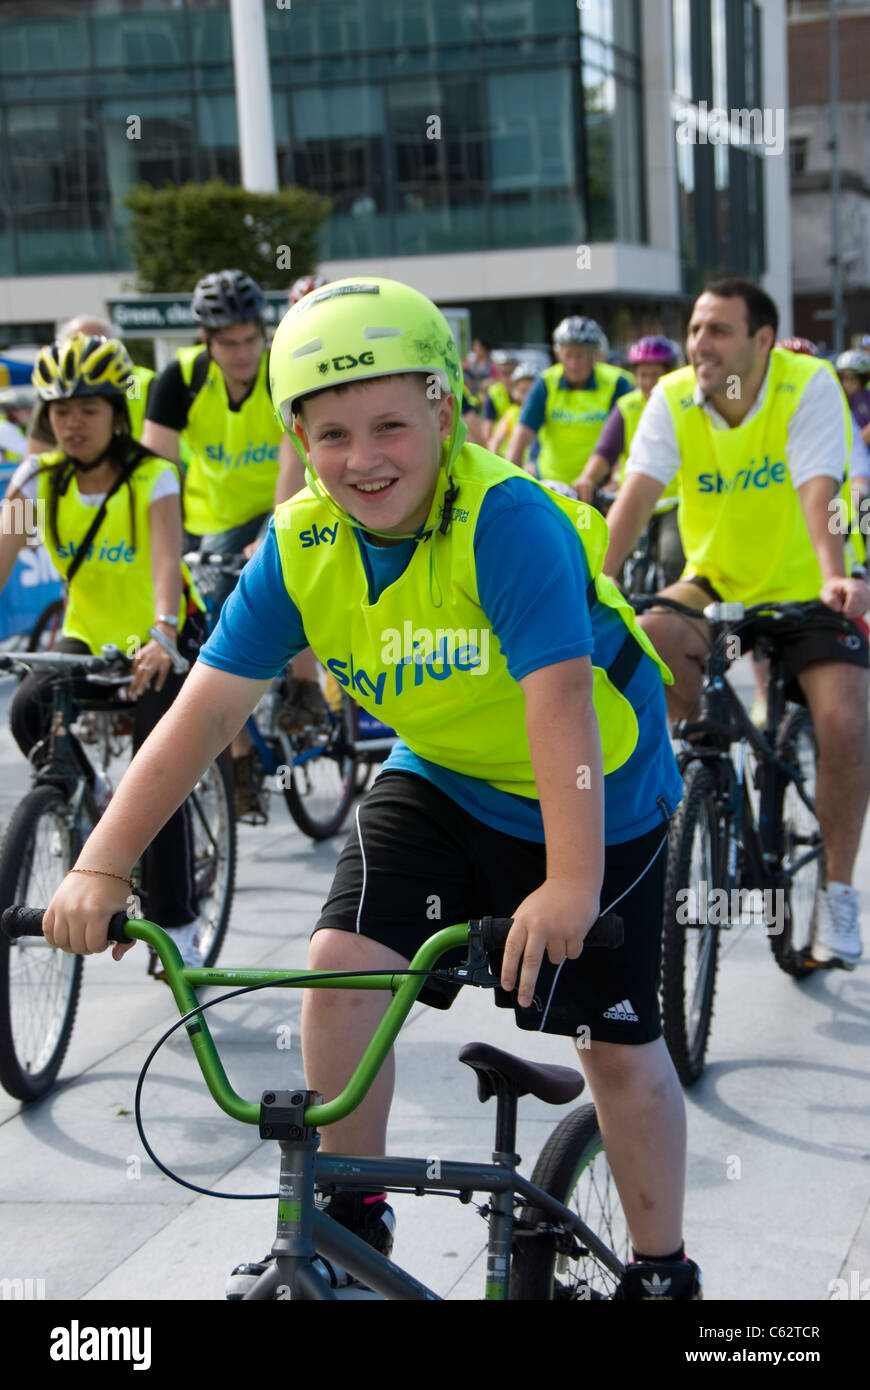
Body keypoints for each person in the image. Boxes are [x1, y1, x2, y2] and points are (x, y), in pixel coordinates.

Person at [42, 277, 699, 1301]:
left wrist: (570, 883)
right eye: (332, 433)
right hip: (442, 775)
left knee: (615, 1049)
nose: (365, 457)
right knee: (341, 961)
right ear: (297, 438)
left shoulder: (505, 519)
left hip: (596, 793)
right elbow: (207, 713)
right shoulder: (301, 545)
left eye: (392, 422)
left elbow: (560, 705)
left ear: (445, 408)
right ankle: (351, 1223)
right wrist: (99, 864)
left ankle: (664, 1273)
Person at [604, 277, 870, 971]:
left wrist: (837, 572)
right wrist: (586, 581)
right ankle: (694, 791)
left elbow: (819, 487)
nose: (699, 344)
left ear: (760, 341)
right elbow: (635, 500)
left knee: (845, 721)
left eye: (717, 330)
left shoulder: (806, 384)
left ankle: (839, 893)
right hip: (718, 583)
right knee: (647, 643)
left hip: (810, 585)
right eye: (694, 328)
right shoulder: (671, 398)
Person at [0, 333, 207, 968]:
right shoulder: (36, 479)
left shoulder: (153, 475)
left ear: (117, 413)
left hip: (158, 632)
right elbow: (3, 555)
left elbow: (167, 565)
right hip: (89, 634)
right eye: (60, 410)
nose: (72, 423)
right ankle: (95, 814)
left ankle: (178, 919)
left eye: (88, 409)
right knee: (28, 709)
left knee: (158, 761)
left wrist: (164, 632)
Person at [142, 269, 294, 811]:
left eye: (251, 339)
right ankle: (238, 758)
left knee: (297, 569)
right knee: (212, 637)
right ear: (206, 340)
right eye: (228, 343)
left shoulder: (281, 369)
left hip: (274, 502)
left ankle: (304, 687)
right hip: (208, 518)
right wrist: (163, 543)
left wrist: (274, 531)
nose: (242, 353)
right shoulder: (179, 379)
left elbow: (293, 457)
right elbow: (154, 474)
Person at [575, 337, 684, 589]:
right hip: (633, 495)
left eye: (654, 375)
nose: (647, 382)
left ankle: (671, 616)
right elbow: (605, 451)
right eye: (642, 375)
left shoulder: (681, 403)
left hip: (672, 500)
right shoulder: (627, 406)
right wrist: (588, 477)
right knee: (611, 559)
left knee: (673, 558)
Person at [505, 317, 633, 483]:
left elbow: (625, 437)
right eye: (568, 355)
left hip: (599, 483)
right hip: (551, 483)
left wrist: (615, 480)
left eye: (579, 356)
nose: (573, 363)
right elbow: (521, 436)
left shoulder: (617, 383)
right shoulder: (546, 382)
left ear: (593, 355)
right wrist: (510, 483)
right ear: (558, 354)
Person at [25, 316, 155, 451]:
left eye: (89, 411)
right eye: (61, 412)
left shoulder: (142, 382)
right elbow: (37, 452)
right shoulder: (54, 390)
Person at [488, 361, 538, 462]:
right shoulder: (512, 413)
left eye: (531, 391)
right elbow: (494, 442)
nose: (528, 396)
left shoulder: (546, 413)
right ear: (516, 392)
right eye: (523, 391)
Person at [481, 349, 519, 444]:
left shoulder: (526, 391)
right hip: (501, 450)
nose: (507, 377)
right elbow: (487, 429)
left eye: (511, 372)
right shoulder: (494, 393)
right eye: (503, 373)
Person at [836, 348, 870, 447]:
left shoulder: (867, 397)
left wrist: (855, 443)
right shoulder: (837, 398)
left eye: (852, 377)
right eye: (843, 377)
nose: (846, 382)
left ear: (862, 378)